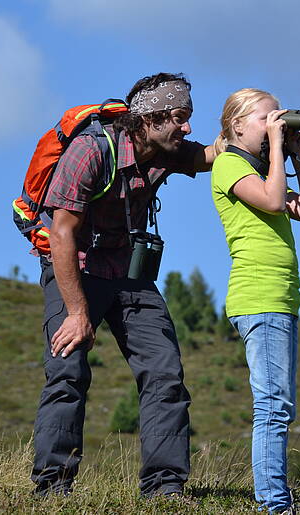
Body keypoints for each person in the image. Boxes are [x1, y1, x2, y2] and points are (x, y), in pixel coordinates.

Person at [30, 72, 212, 497]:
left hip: (128, 272)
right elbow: (61, 233)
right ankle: (53, 487)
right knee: (67, 370)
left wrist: (283, 140)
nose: (186, 128)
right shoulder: (91, 150)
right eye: (179, 117)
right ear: (148, 118)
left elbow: (219, 154)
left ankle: (165, 489)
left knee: (165, 374)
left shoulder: (167, 150)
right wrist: (77, 314)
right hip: (74, 266)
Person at [211, 88, 300, 513]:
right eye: (266, 119)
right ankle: (273, 504)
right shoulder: (229, 165)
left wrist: (299, 154)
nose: (272, 126)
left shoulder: (267, 169)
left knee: (280, 405)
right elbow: (274, 201)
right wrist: (280, 148)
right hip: (259, 296)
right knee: (273, 407)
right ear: (237, 125)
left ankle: (273, 501)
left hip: (280, 298)